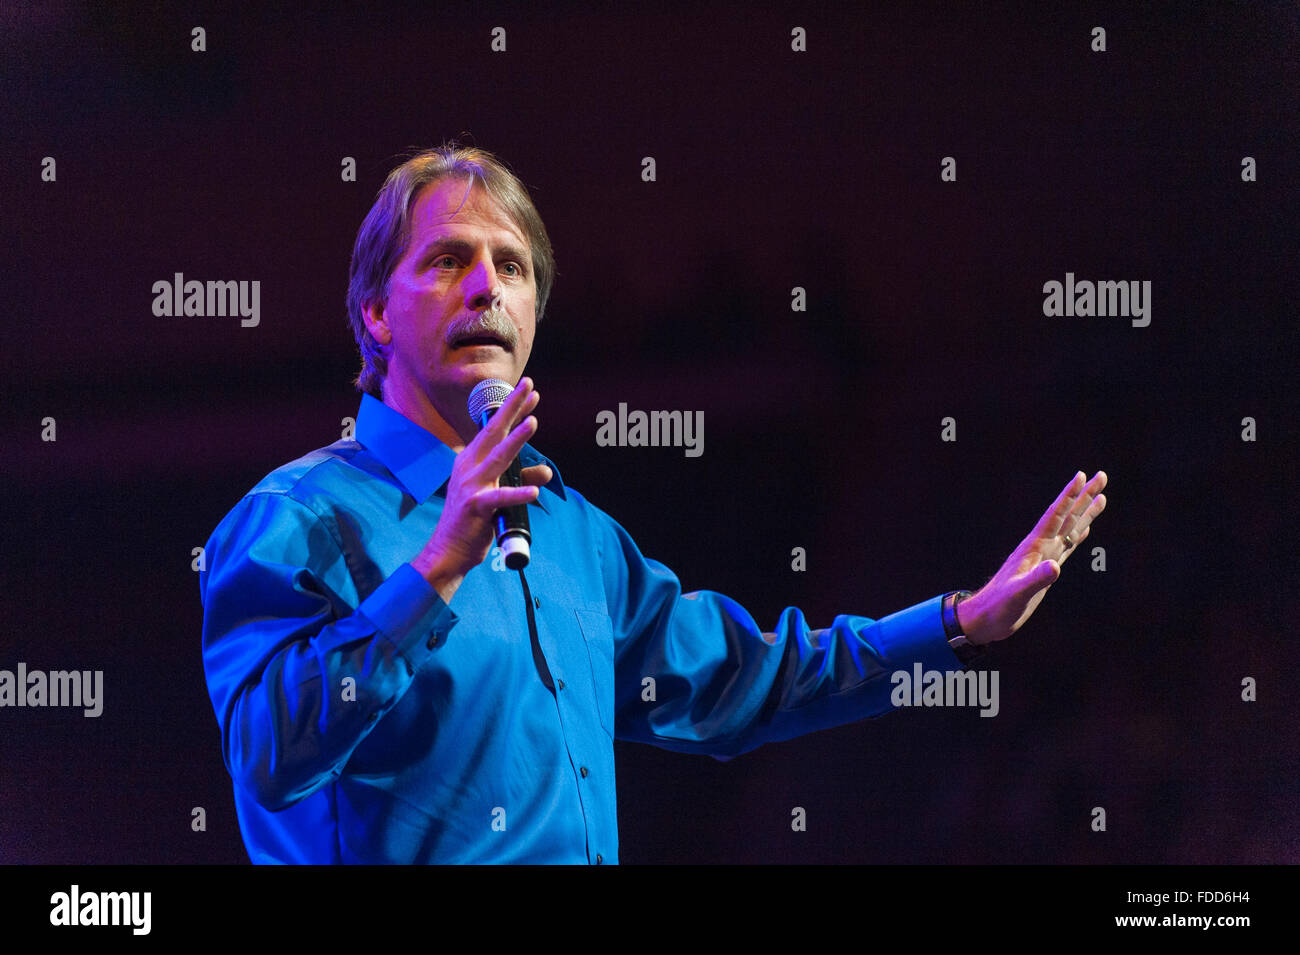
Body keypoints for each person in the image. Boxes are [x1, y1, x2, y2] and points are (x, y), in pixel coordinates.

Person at [199, 143, 1108, 864]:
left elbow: (743, 680)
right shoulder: (298, 516)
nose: (487, 286)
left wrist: (954, 628)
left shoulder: (571, 532)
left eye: (512, 269)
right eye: (448, 259)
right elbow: (268, 756)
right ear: (375, 314)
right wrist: (436, 568)